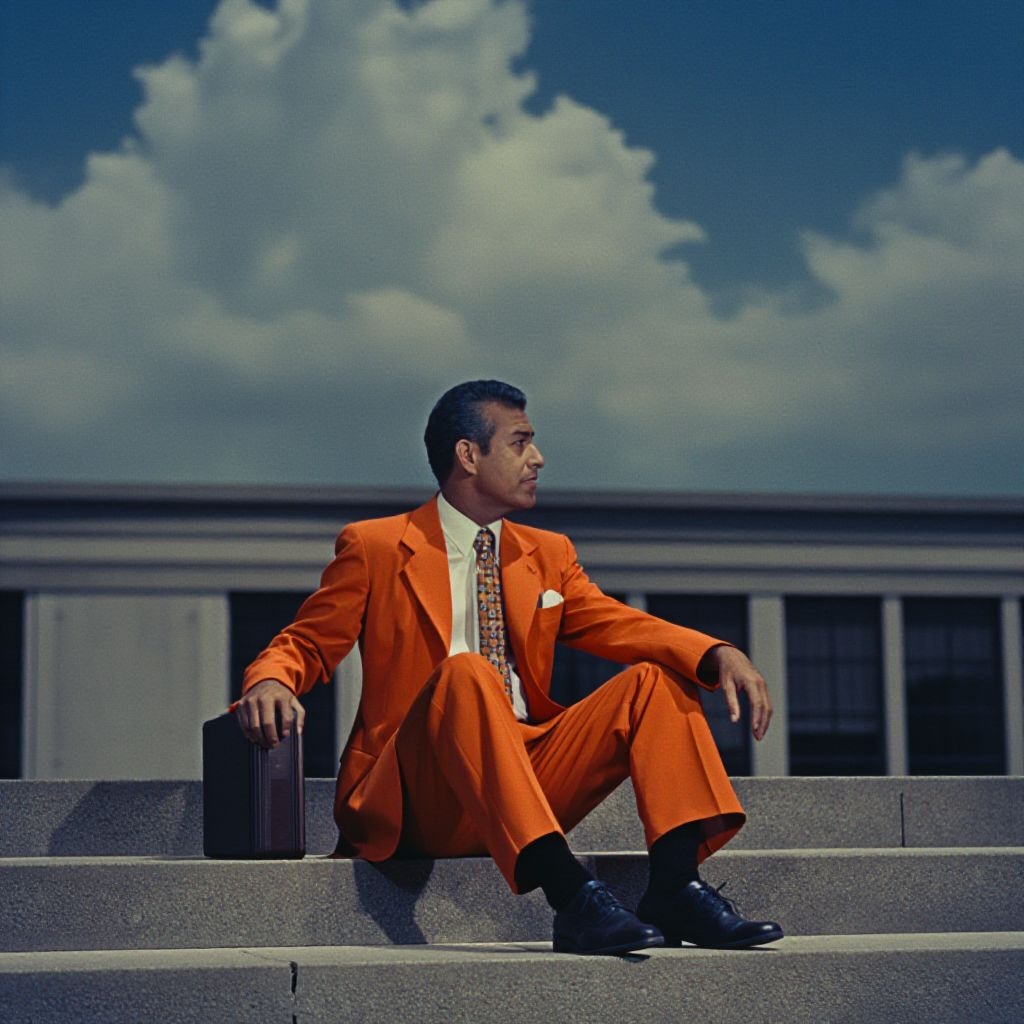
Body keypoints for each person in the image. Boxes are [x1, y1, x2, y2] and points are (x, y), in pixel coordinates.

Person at [236, 379, 782, 955]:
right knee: (467, 673)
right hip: (417, 794)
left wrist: (717, 652)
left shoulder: (547, 554)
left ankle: (675, 886)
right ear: (468, 455)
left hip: (525, 773)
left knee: (658, 678)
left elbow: (617, 623)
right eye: (521, 443)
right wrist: (271, 677)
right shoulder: (375, 546)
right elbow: (308, 641)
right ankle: (572, 896)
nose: (538, 459)